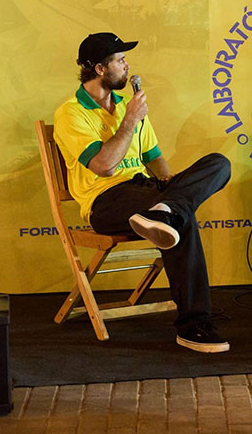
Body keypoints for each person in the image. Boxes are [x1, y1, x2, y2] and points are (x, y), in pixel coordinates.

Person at [53, 32, 232, 352]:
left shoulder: (126, 104)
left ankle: (166, 210)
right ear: (99, 69)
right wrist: (130, 120)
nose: (127, 65)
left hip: (148, 192)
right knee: (180, 217)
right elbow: (104, 165)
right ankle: (193, 325)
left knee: (218, 164)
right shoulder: (70, 113)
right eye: (120, 60)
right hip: (106, 199)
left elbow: (153, 158)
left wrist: (173, 185)